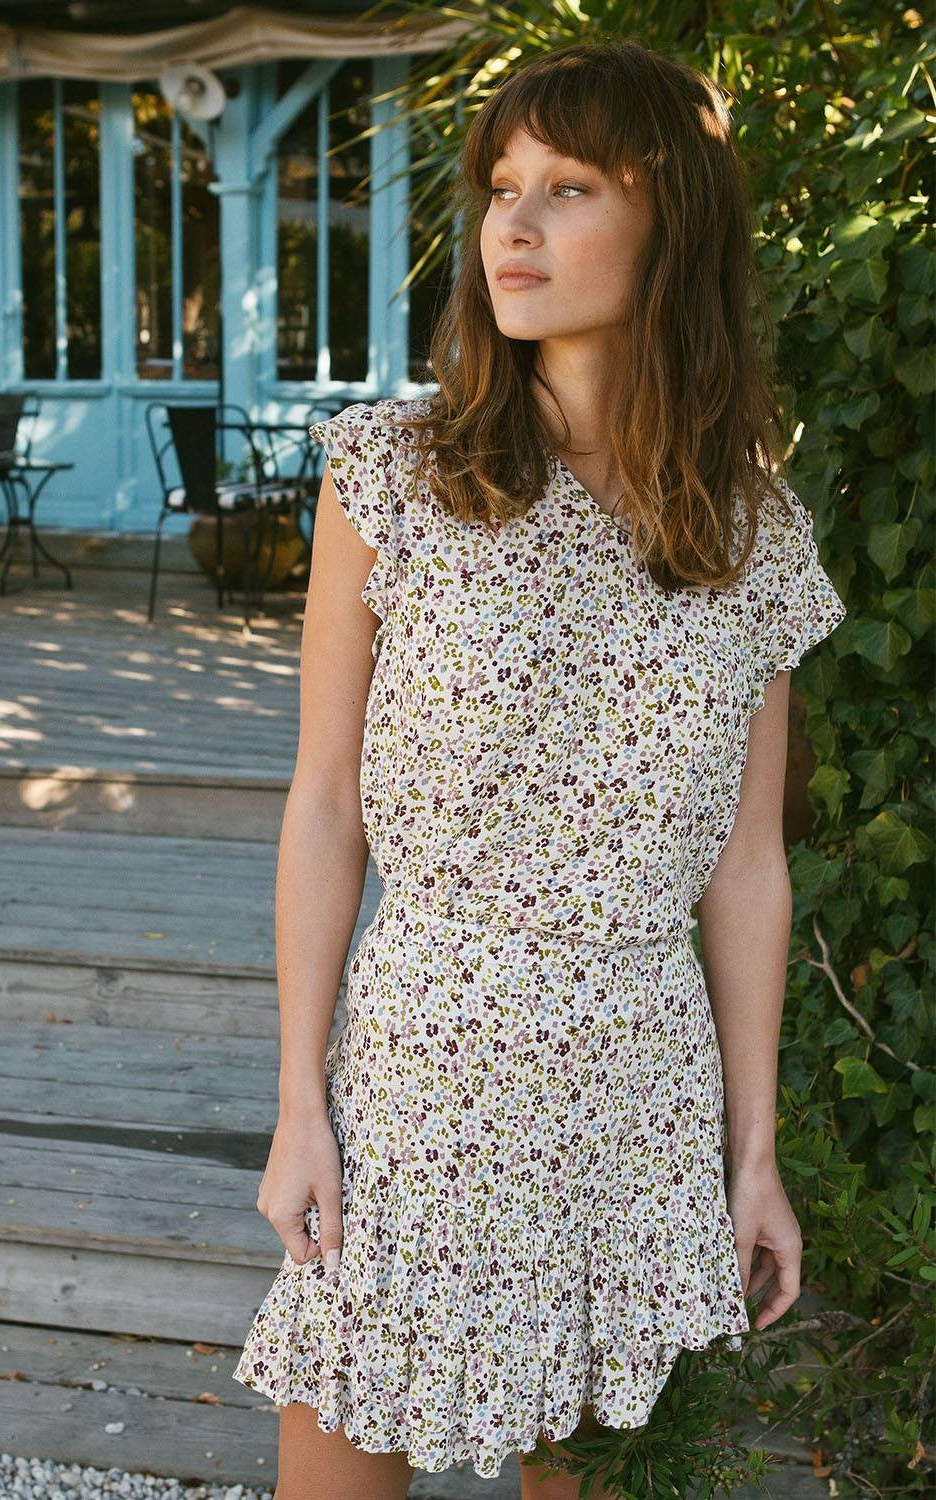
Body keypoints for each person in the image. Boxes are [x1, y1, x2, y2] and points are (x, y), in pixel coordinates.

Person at [231, 38, 848, 1500]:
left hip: (638, 1082)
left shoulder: (748, 530)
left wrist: (751, 1154)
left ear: (671, 220)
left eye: (567, 188)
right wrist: (300, 1103)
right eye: (500, 187)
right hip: (427, 1063)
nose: (511, 224)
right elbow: (325, 804)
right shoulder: (394, 476)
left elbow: (746, 863)